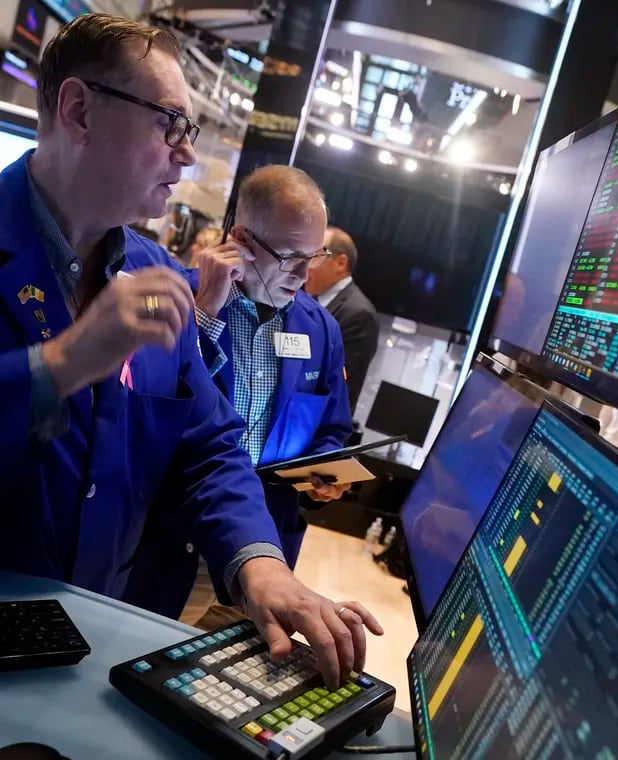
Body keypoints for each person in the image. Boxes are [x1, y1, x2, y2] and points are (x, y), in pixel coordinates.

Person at [0, 13, 381, 690]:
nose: (188, 157)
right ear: (80, 110)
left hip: (87, 649)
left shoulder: (156, 279)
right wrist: (56, 367)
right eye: (168, 124)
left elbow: (207, 446)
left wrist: (260, 565)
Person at [181, 166, 354, 626]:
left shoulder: (322, 329)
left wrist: (325, 471)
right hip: (174, 533)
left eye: (313, 257)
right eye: (289, 257)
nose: (303, 276)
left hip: (265, 549)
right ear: (240, 239)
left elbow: (331, 427)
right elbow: (167, 404)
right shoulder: (181, 296)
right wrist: (204, 314)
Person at [305, 227, 379, 412]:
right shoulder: (303, 298)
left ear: (340, 263)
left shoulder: (360, 316)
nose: (305, 265)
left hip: (311, 426)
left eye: (313, 256)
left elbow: (342, 392)